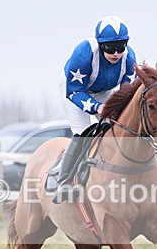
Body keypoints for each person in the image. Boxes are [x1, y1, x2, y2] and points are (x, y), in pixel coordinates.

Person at [51, 16, 137, 203]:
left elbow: (125, 92)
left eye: (121, 46)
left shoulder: (129, 58)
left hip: (104, 91)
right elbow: (74, 91)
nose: (115, 53)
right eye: (109, 48)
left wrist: (114, 111)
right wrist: (98, 107)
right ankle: (63, 182)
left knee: (116, 127)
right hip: (75, 91)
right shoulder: (84, 53)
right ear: (100, 45)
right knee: (83, 133)